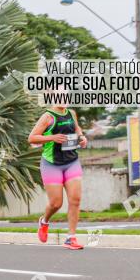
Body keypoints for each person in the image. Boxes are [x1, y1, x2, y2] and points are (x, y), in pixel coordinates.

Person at [28, 106, 87, 250]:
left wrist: (82, 138)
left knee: (75, 199)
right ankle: (44, 221)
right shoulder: (48, 117)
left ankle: (71, 238)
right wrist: (52, 138)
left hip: (71, 161)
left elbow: (77, 129)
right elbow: (32, 138)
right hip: (51, 164)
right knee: (56, 203)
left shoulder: (71, 113)